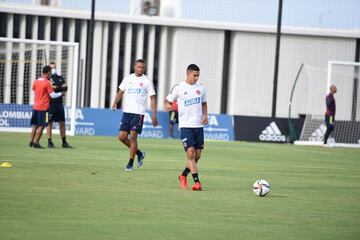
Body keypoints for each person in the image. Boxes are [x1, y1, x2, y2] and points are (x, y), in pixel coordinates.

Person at [165, 64, 208, 191]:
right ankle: (197, 182)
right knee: (190, 154)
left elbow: (204, 103)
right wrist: (170, 106)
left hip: (198, 126)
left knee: (197, 156)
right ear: (187, 73)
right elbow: (168, 102)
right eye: (194, 75)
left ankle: (183, 175)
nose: (196, 78)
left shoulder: (201, 88)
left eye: (198, 76)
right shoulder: (179, 88)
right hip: (185, 126)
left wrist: (205, 115)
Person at [111, 59, 158, 171]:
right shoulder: (128, 79)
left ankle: (130, 163)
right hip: (127, 112)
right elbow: (120, 92)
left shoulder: (147, 81)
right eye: (139, 67)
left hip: (138, 113)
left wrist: (154, 115)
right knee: (121, 137)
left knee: (133, 137)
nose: (141, 69)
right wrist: (114, 102)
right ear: (134, 67)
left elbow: (153, 99)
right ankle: (139, 153)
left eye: (143, 67)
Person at [29, 65, 64, 148]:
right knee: (42, 125)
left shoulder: (36, 81)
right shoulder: (47, 82)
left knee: (35, 125)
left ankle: (31, 142)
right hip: (44, 107)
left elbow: (34, 90)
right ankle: (36, 143)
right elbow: (53, 95)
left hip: (36, 106)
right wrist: (61, 93)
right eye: (50, 71)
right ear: (48, 72)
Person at [46, 62, 72, 148]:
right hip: (50, 104)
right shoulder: (47, 79)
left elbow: (65, 88)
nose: (53, 69)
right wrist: (56, 88)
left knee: (62, 123)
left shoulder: (60, 78)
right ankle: (50, 141)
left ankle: (64, 142)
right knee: (49, 123)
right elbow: (51, 90)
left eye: (54, 67)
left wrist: (57, 88)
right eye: (52, 68)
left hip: (59, 104)